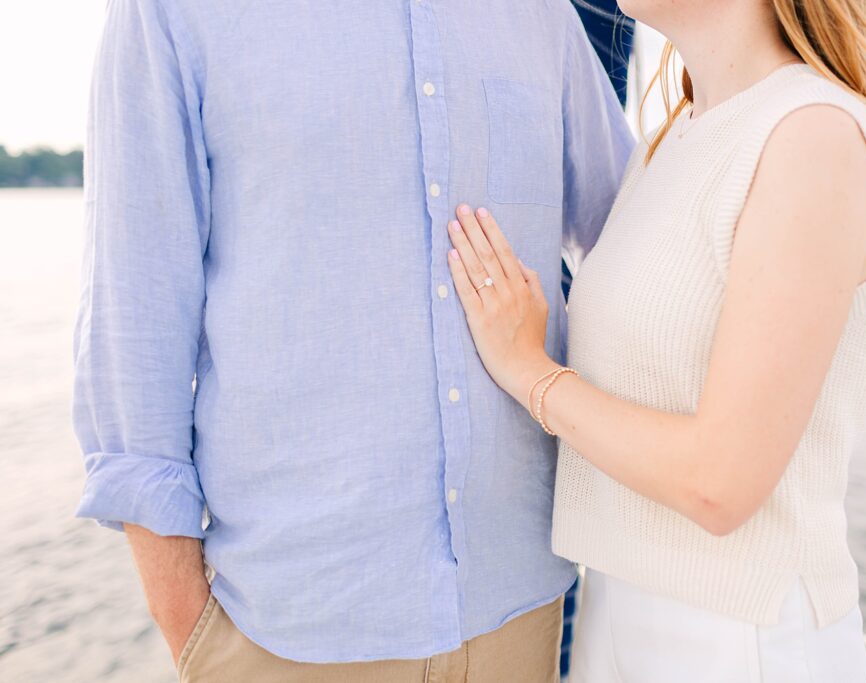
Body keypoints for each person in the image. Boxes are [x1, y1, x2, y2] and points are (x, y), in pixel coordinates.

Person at [71, 0, 632, 681]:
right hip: (288, 638)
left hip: (519, 615)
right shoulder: (171, 12)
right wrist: (193, 632)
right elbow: (133, 334)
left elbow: (636, 235)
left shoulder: (540, 14)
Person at [441, 0, 866, 680]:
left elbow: (718, 482)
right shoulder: (678, 137)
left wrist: (530, 371)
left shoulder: (814, 135)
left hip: (741, 639)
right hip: (620, 614)